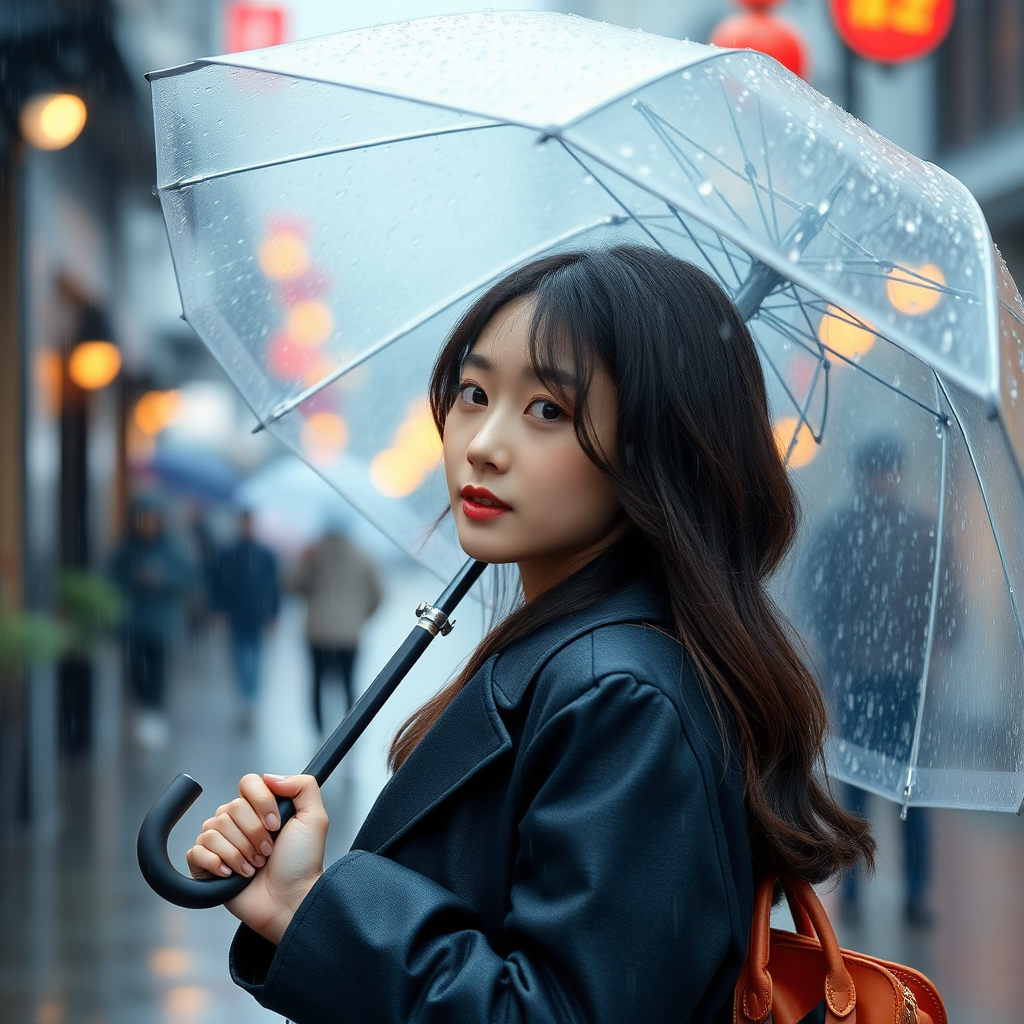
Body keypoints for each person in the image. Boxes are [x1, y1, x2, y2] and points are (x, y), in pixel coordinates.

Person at [186, 246, 875, 1023]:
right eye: (474, 393)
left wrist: (327, 909)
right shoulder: (569, 658)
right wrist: (294, 903)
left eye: (548, 409)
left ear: (652, 450)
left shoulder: (620, 694)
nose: (481, 442)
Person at [800, 436, 959, 929]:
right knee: (865, 790)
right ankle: (857, 889)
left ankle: (907, 892)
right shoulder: (850, 532)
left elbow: (948, 606)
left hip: (898, 678)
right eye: (878, 472)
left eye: (887, 471)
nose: (883, 481)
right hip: (863, 677)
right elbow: (816, 599)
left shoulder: (919, 535)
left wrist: (937, 649)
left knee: (906, 791)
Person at [109, 496, 193, 750]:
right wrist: (133, 579)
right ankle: (145, 708)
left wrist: (162, 580)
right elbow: (111, 576)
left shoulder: (172, 548)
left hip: (161, 623)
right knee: (135, 669)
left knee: (157, 669)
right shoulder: (127, 548)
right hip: (133, 622)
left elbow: (189, 578)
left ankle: (154, 713)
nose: (147, 524)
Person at [289, 519, 382, 733]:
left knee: (316, 683)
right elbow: (379, 594)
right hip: (349, 635)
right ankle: (348, 732)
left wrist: (303, 563)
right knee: (348, 683)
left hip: (318, 633)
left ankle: (319, 732)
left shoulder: (313, 555)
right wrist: (360, 616)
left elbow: (292, 586)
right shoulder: (362, 556)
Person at [213, 509, 280, 730]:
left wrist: (274, 614)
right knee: (240, 658)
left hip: (257, 615)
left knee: (254, 658)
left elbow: (274, 587)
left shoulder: (265, 555)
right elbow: (219, 585)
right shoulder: (229, 553)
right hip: (237, 615)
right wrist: (219, 610)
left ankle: (250, 700)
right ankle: (246, 699)